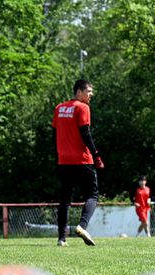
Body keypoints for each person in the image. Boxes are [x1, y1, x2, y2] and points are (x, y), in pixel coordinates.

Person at [52, 79, 104, 247]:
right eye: (89, 91)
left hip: (64, 160)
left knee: (65, 199)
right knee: (92, 195)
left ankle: (61, 239)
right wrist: (96, 154)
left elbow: (54, 134)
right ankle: (82, 226)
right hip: (82, 159)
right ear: (79, 92)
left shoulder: (59, 108)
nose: (91, 95)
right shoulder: (83, 107)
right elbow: (85, 133)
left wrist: (59, 153)